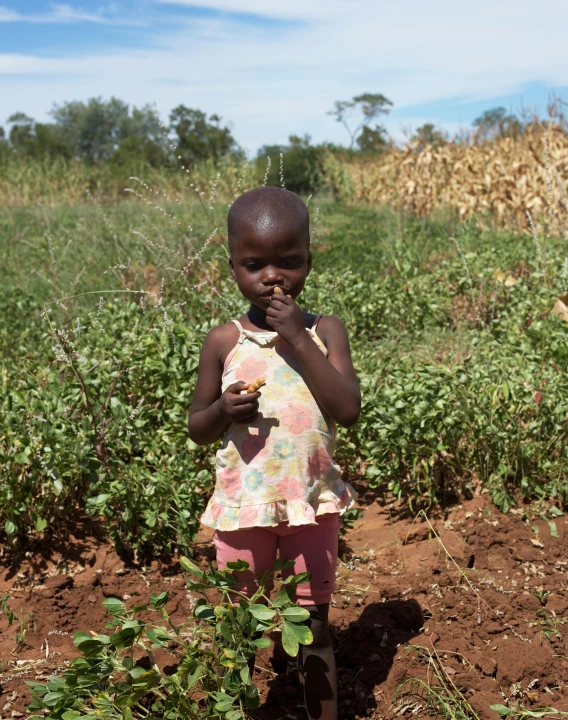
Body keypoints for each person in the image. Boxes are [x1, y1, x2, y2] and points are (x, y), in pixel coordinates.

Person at [188, 186, 361, 720]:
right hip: (245, 509)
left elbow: (347, 408)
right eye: (254, 264)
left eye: (288, 262)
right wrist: (224, 411)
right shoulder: (224, 341)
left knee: (313, 625)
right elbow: (197, 426)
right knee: (241, 624)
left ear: (309, 260)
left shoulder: (324, 330)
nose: (272, 277)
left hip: (310, 503)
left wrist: (298, 338)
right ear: (233, 266)